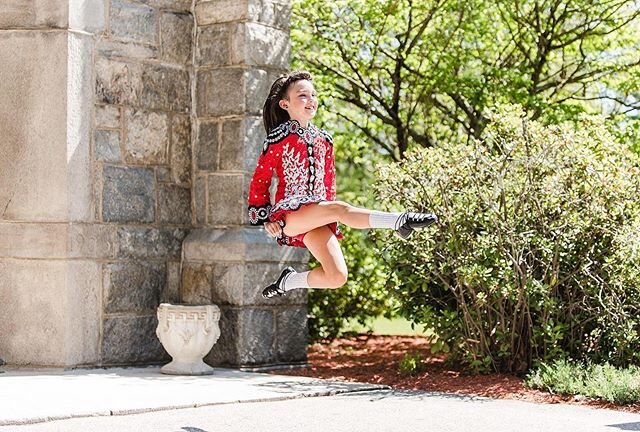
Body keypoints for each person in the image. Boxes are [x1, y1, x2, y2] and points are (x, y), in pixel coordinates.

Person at [247, 71, 437, 299]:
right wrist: (266, 216)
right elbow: (260, 180)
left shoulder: (324, 140)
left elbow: (329, 184)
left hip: (319, 213)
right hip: (290, 216)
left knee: (336, 277)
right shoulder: (278, 138)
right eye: (302, 95)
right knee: (339, 208)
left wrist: (329, 217)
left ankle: (288, 281)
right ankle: (399, 220)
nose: (310, 100)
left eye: (313, 95)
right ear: (284, 104)